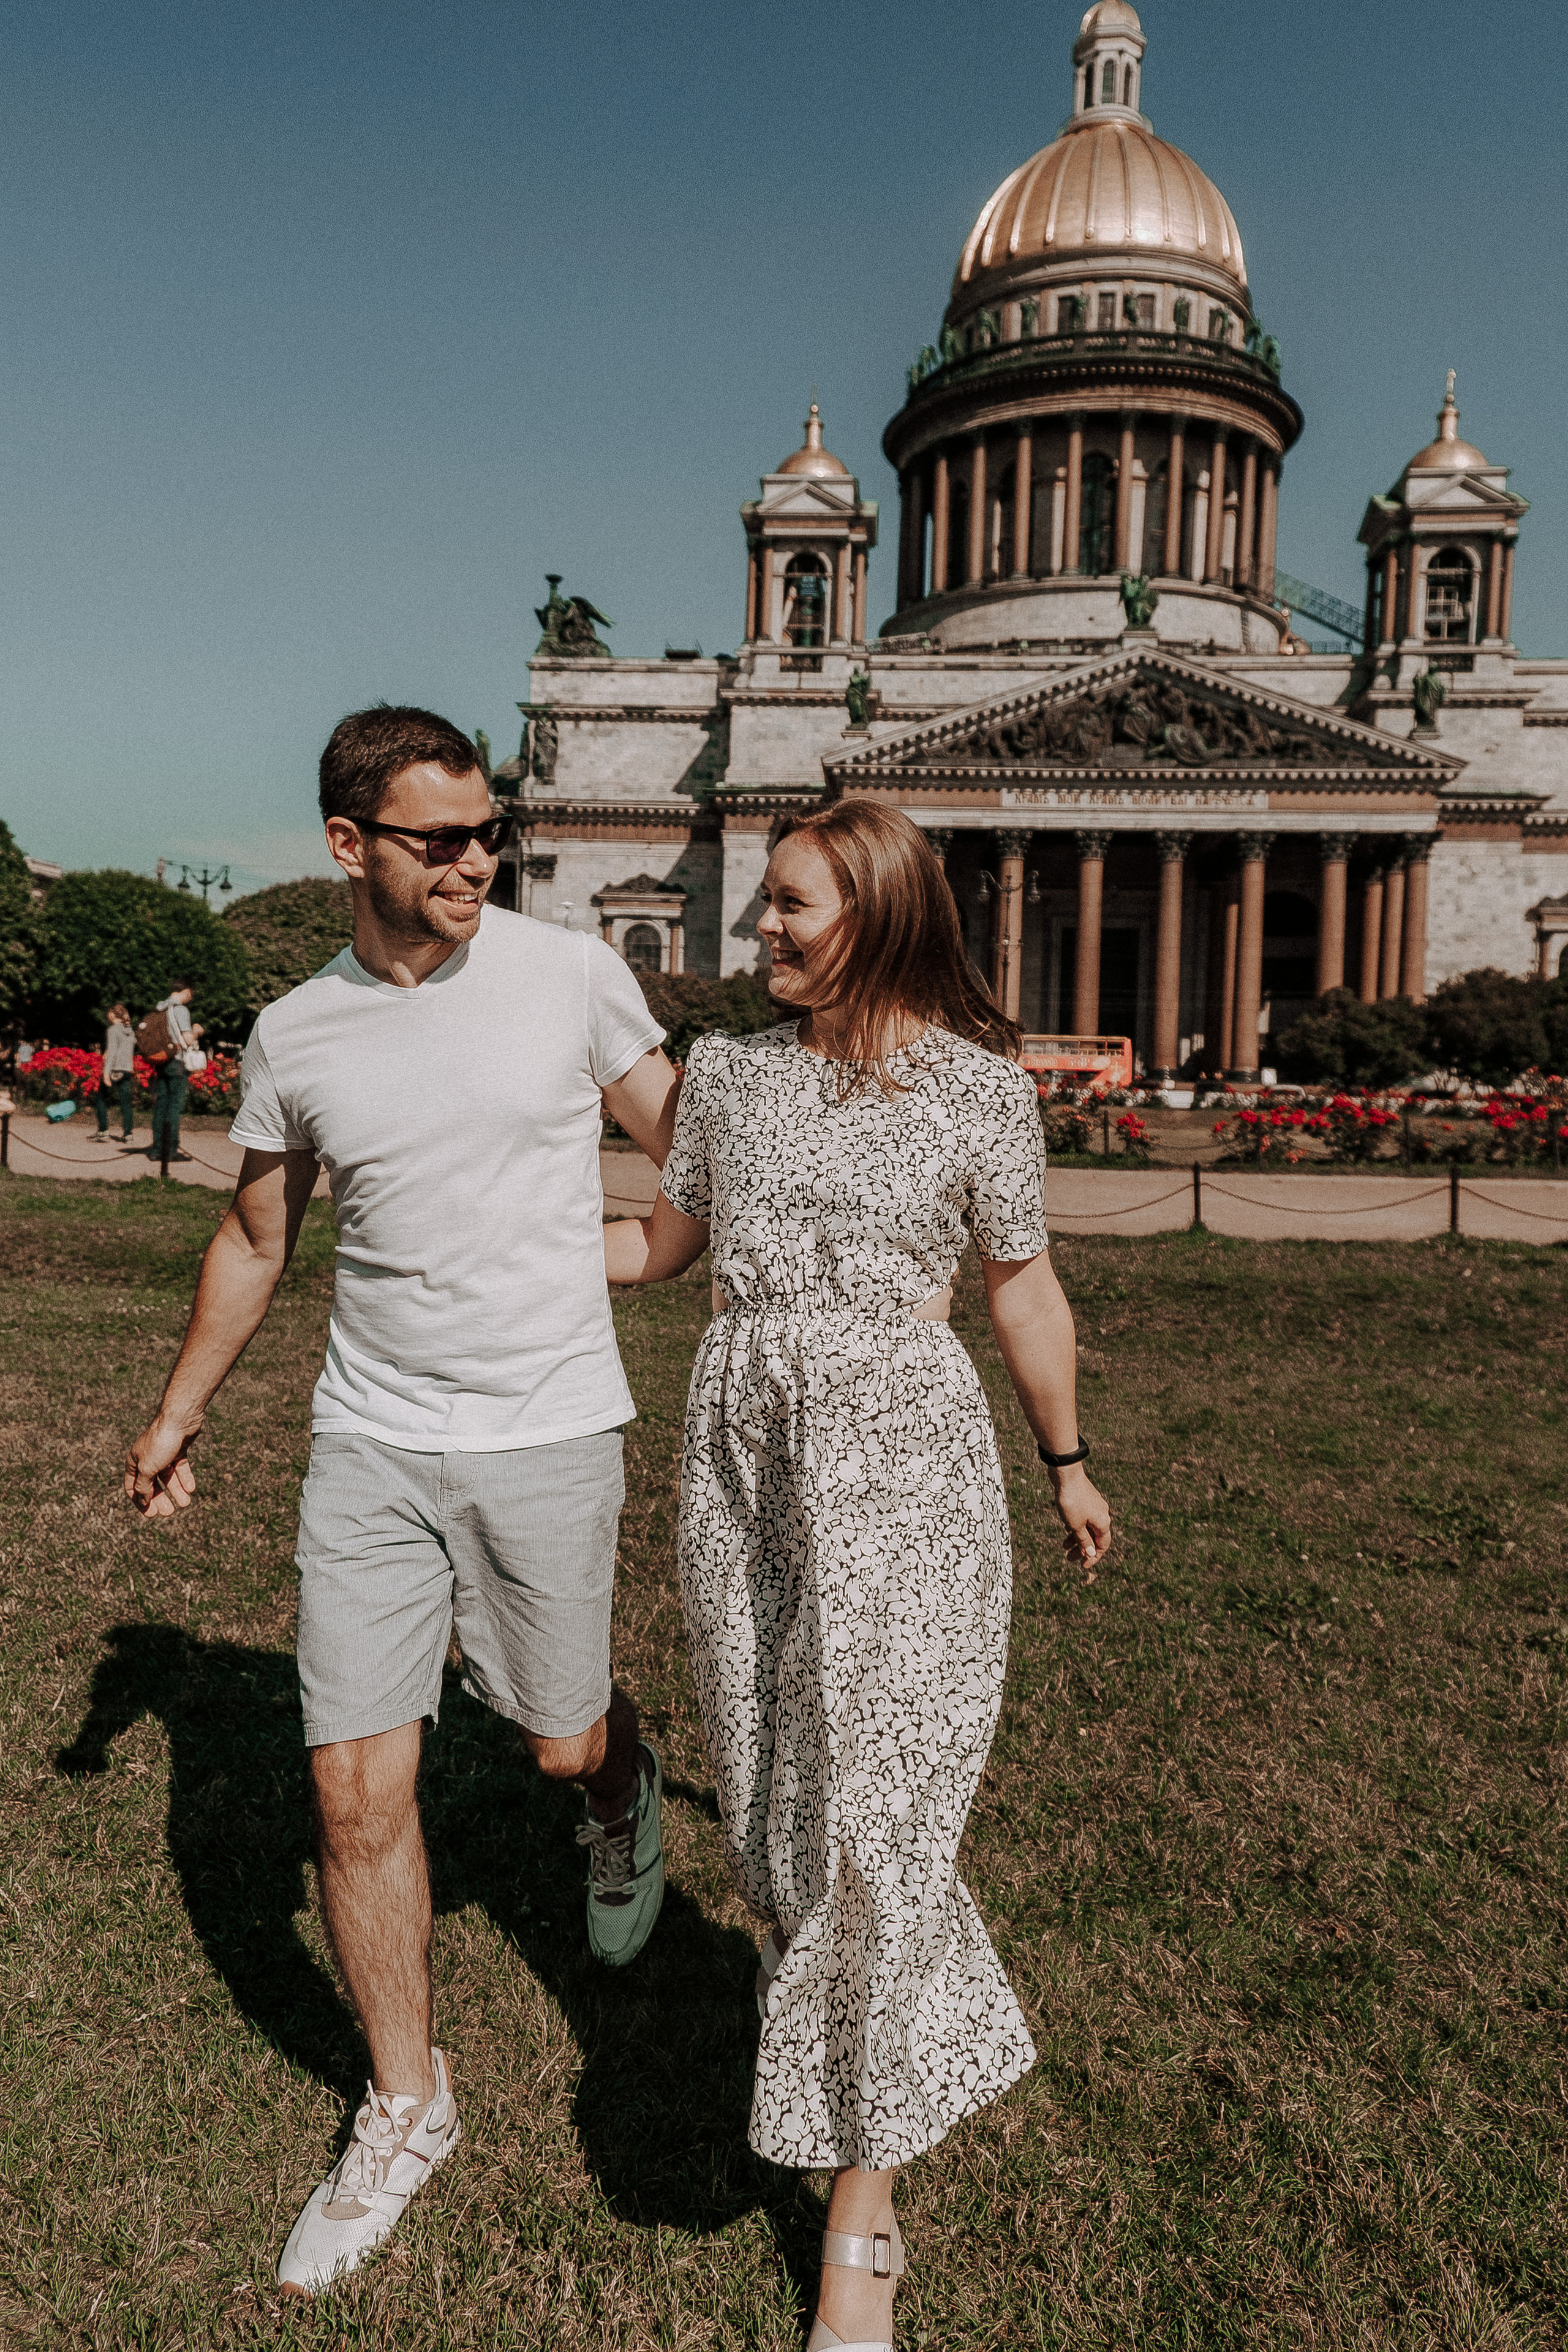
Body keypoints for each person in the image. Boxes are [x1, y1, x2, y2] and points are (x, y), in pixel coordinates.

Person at [122, 706, 682, 2297]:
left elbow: (689, 1139)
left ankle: (615, 1793)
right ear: (348, 845)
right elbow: (253, 1239)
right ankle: (406, 2104)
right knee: (357, 1798)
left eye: (488, 831)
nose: (476, 862)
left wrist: (659, 1251)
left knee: (557, 1733)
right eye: (439, 838)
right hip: (369, 1442)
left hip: (549, 1432)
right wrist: (175, 1416)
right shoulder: (296, 1031)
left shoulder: (568, 976)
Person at [605, 802, 1112, 2352]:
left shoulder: (976, 1094)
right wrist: (480, 1232)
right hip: (742, 1465)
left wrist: (1066, 1460)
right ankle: (822, 2033)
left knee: (885, 1820)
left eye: (789, 908)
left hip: (908, 1466)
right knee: (772, 1807)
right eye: (762, 903)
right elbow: (660, 1249)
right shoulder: (732, 1080)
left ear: (878, 914)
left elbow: (1021, 1289)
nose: (758, 930)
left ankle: (859, 2228)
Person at [148, 983, 195, 1163]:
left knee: (161, 1107)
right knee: (174, 1108)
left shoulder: (160, 1008)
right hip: (177, 1061)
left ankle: (156, 1149)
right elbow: (187, 1039)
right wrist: (197, 1032)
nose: (189, 999)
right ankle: (171, 1149)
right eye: (190, 995)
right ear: (185, 991)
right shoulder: (180, 1010)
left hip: (161, 1061)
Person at [94, 1005, 137, 1142]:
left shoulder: (113, 1030)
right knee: (125, 1103)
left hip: (114, 1070)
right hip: (127, 1069)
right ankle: (128, 1133)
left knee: (100, 1098)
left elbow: (112, 1052)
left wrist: (106, 1073)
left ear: (112, 1014)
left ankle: (103, 1131)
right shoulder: (130, 1031)